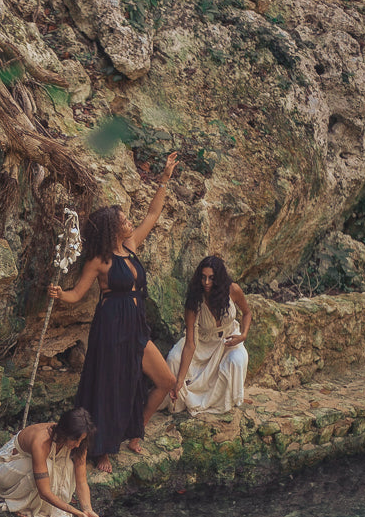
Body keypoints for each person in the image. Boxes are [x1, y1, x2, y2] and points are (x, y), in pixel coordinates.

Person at [48, 153, 179, 473]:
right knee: (107, 388)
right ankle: (100, 449)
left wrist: (164, 179)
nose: (129, 222)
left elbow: (153, 214)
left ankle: (136, 430)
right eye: (123, 220)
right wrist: (60, 294)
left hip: (136, 327)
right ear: (112, 228)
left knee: (166, 380)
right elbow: (78, 294)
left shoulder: (131, 246)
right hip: (110, 329)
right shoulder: (99, 261)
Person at [166, 255, 251, 415]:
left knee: (237, 361)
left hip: (229, 340)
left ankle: (222, 402)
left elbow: (247, 313)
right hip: (202, 342)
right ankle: (179, 397)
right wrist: (179, 380)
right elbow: (190, 343)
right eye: (203, 277)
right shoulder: (195, 300)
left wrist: (243, 335)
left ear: (219, 278)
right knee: (173, 359)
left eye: (211, 278)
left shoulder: (233, 290)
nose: (206, 282)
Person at [0, 407, 100, 517]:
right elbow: (44, 492)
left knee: (68, 466)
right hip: (7, 469)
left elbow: (82, 481)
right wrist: (78, 513)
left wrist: (88, 510)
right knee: (48, 466)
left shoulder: (79, 442)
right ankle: (21, 504)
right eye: (75, 440)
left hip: (32, 468)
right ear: (65, 433)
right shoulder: (41, 441)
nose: (78, 444)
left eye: (81, 440)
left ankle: (40, 506)